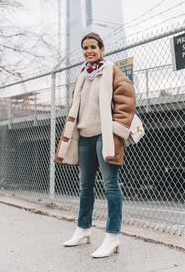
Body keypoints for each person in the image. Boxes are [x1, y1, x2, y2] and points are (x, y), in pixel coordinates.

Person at [54, 32, 136, 258]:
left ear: (101, 48)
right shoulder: (82, 74)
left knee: (111, 186)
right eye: (85, 47)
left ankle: (112, 237)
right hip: (84, 137)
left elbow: (126, 99)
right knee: (84, 187)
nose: (89, 51)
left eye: (93, 47)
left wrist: (116, 132)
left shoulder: (111, 70)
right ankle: (83, 229)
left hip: (104, 136)